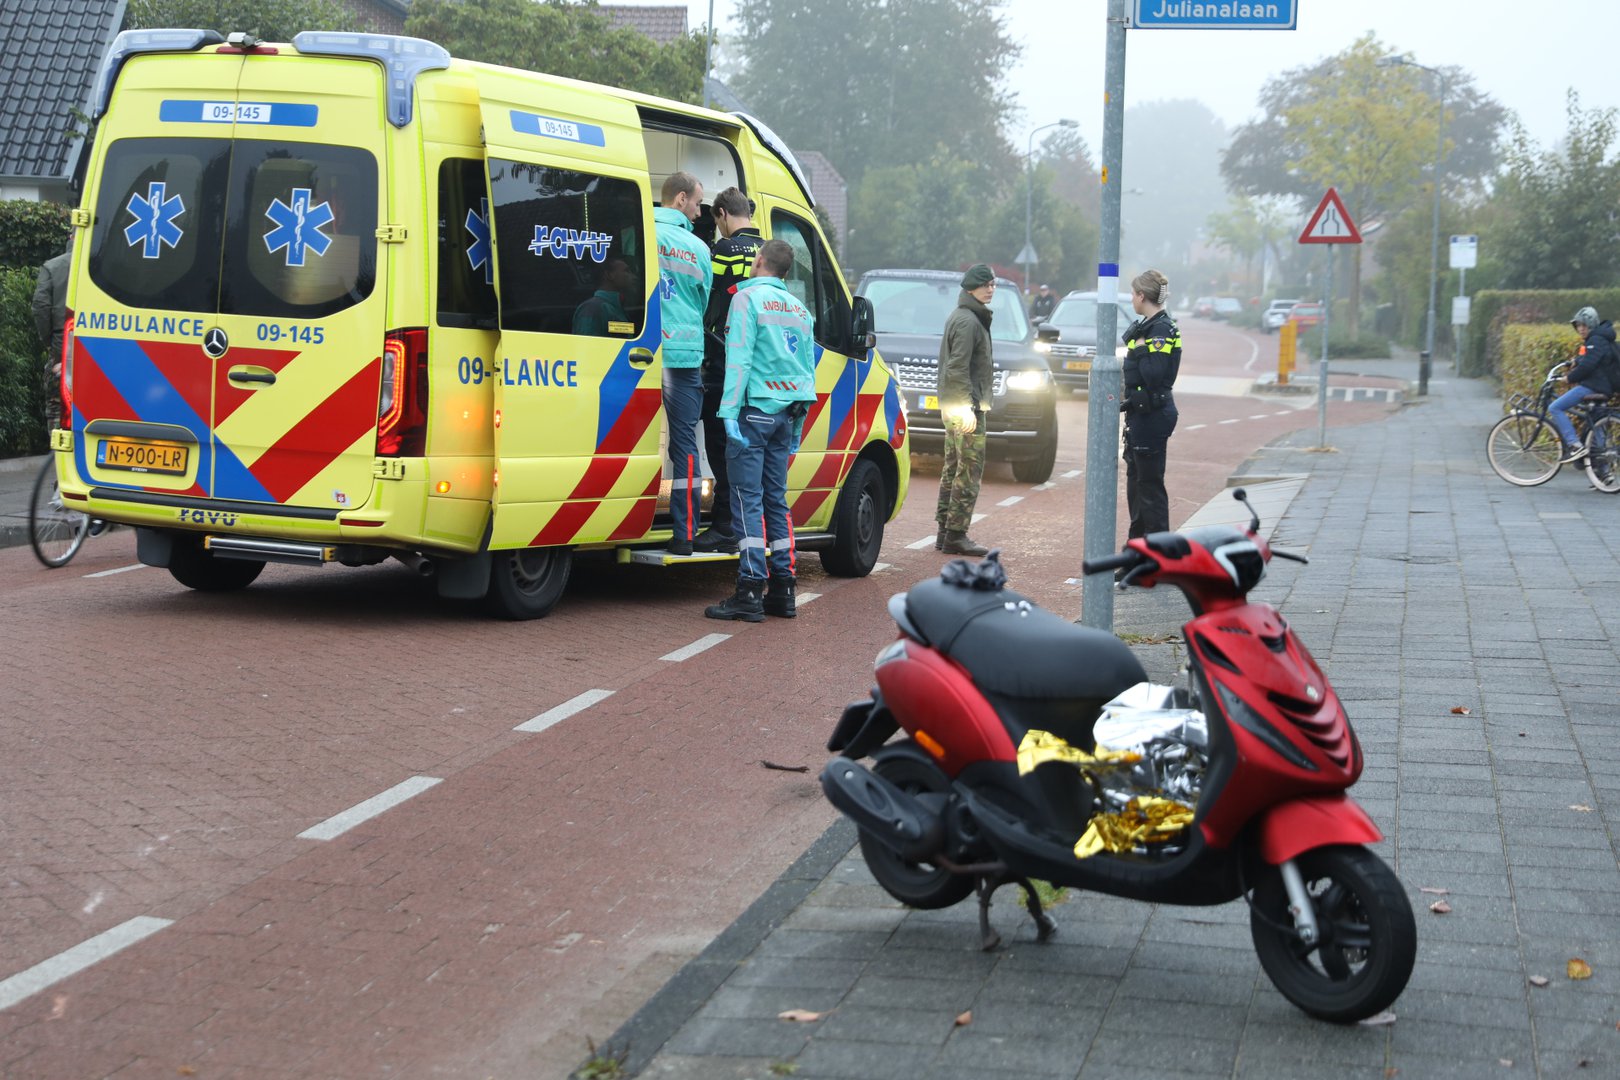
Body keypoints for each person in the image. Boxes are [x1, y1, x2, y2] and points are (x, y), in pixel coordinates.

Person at [705, 239, 817, 621]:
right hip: (785, 416)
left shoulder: (747, 300)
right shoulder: (800, 310)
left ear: (759, 261)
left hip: (753, 415)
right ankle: (783, 589)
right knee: (776, 500)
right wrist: (797, 428)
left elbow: (738, 360)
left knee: (745, 500)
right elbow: (807, 372)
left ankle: (750, 590)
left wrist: (728, 413)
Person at [693, 186, 765, 554]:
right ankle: (748, 525)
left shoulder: (723, 250)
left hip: (724, 365)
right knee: (751, 452)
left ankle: (724, 525)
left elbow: (706, 297)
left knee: (721, 448)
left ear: (721, 214)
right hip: (760, 370)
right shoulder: (769, 251)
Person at [654, 171, 712, 555]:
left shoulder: (639, 234)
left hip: (638, 354)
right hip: (685, 356)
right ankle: (684, 534)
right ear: (680, 199)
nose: (699, 211)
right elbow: (703, 303)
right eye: (696, 202)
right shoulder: (698, 248)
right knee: (684, 446)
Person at [935, 264, 997, 557]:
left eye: (993, 284)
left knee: (953, 467)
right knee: (968, 470)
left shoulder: (966, 317)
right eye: (985, 284)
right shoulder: (969, 321)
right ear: (970, 288)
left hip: (956, 404)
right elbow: (957, 368)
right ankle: (956, 534)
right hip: (964, 406)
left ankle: (944, 532)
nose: (990, 288)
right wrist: (967, 409)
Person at [1120, 269, 1181, 545]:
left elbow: (1155, 373)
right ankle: (1139, 552)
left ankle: (1156, 557)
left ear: (1142, 296)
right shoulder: (1149, 325)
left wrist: (1142, 347)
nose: (1131, 298)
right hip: (1141, 415)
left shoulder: (1159, 330)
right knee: (1138, 486)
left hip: (1153, 415)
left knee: (1149, 489)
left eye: (1133, 293)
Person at [1550, 305, 1619, 462]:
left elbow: (1589, 366)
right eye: (1578, 326)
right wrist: (1576, 361)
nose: (1580, 329)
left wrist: (1569, 378)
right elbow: (1594, 359)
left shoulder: (1595, 339)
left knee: (1555, 407)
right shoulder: (1600, 338)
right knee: (1596, 427)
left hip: (1592, 387)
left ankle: (1575, 446)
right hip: (1601, 387)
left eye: (1584, 325)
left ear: (1592, 324)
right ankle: (1603, 474)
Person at [32, 242, 72, 431]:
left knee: (57, 407)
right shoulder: (108, 266)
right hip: (101, 349)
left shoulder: (52, 267)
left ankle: (59, 457)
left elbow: (41, 307)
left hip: (61, 346)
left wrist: (50, 343)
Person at [571, 256, 635, 336]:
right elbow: (586, 346)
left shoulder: (617, 307)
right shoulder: (591, 309)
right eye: (627, 271)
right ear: (609, 275)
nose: (633, 276)